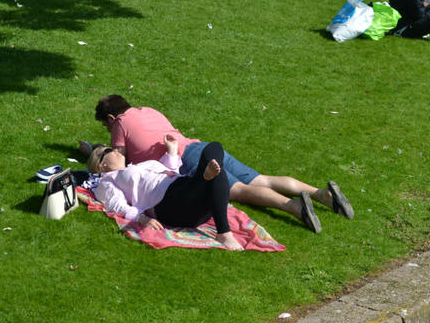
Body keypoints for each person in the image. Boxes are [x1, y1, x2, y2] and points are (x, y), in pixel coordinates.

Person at [90, 95, 354, 233]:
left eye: (105, 125)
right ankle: (324, 195)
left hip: (186, 159)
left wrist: (92, 153)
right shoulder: (149, 111)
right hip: (199, 146)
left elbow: (120, 161)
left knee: (237, 190)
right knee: (261, 179)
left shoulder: (120, 123)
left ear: (111, 117)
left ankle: (295, 207)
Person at [88, 135, 244, 250]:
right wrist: (141, 218)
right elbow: (116, 203)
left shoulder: (136, 166)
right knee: (212, 172)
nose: (115, 149)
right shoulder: (107, 180)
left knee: (214, 149)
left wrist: (172, 152)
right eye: (108, 150)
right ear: (102, 165)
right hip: (170, 205)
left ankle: (205, 179)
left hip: (186, 192)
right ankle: (224, 233)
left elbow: (168, 172)